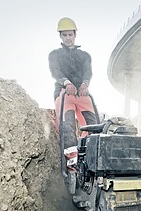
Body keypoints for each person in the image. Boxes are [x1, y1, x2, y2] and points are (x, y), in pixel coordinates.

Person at [48, 17, 97, 172]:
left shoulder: (85, 55)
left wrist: (85, 84)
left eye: (70, 35)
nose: (68, 38)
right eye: (65, 35)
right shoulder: (55, 54)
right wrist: (66, 82)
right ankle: (72, 166)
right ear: (60, 36)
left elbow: (88, 71)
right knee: (67, 127)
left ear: (75, 35)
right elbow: (55, 71)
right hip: (64, 93)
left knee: (95, 126)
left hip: (82, 93)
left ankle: (90, 159)